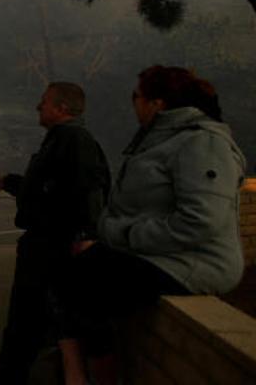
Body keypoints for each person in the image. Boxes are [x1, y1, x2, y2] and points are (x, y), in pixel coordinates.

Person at [57, 65, 247, 385]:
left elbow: (201, 221)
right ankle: (76, 374)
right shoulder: (160, 141)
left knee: (85, 279)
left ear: (157, 104)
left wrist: (125, 236)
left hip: (197, 262)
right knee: (73, 271)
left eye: (136, 96)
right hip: (166, 255)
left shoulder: (202, 142)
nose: (133, 104)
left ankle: (89, 378)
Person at [0, 82, 111, 385]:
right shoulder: (59, 140)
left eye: (44, 102)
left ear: (61, 108)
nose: (38, 107)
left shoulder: (75, 140)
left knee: (26, 328)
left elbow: (88, 191)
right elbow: (48, 189)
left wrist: (85, 237)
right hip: (42, 251)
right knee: (28, 329)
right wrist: (9, 182)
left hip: (51, 253)